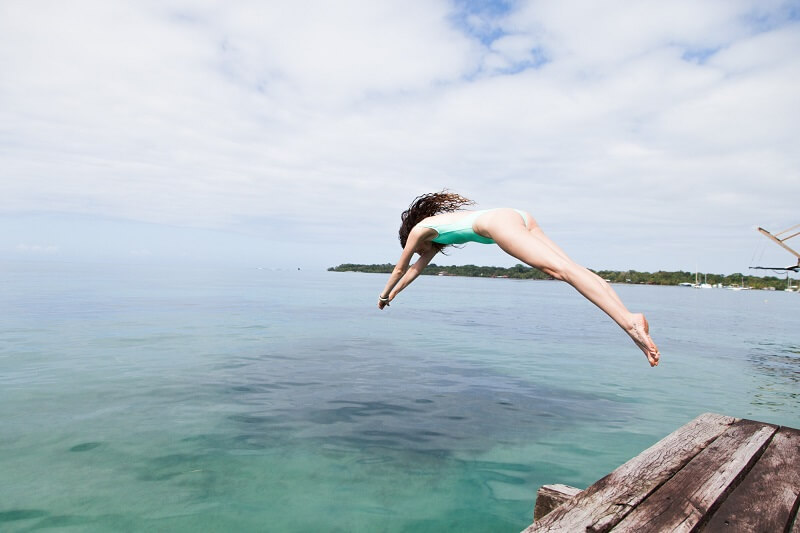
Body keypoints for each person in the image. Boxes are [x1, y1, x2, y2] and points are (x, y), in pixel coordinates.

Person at [377, 191, 661, 367]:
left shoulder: (420, 231)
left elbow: (402, 268)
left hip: (499, 222)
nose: (421, 253)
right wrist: (394, 295)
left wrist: (383, 294)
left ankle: (629, 323)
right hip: (520, 216)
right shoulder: (435, 232)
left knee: (560, 271)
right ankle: (628, 319)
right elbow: (416, 270)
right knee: (572, 267)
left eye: (415, 249)